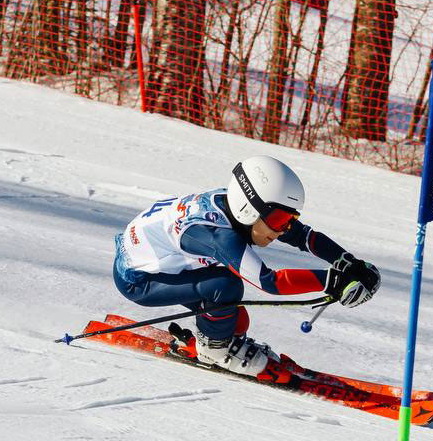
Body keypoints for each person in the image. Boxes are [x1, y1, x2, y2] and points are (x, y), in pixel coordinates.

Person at [112, 155, 381, 377]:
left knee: (237, 320)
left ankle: (221, 340)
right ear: (248, 209)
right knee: (225, 286)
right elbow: (269, 282)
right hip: (138, 280)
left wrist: (350, 264)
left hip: (155, 260)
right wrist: (334, 281)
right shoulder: (216, 235)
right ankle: (214, 350)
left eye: (290, 218)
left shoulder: (236, 204)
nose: (283, 229)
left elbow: (303, 236)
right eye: (279, 219)